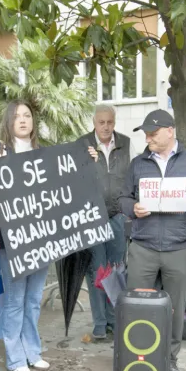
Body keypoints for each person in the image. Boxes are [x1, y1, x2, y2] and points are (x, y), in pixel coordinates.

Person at [119, 109, 186, 371]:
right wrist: (132, 208)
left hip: (177, 248)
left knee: (173, 309)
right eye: (146, 133)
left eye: (153, 133)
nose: (148, 137)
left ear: (170, 131)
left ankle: (170, 361)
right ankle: (137, 356)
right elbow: (123, 199)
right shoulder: (138, 164)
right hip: (143, 247)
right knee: (137, 306)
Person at [0, 100, 51, 371]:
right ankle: (15, 358)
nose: (23, 120)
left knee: (34, 298)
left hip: (41, 236)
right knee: (15, 299)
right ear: (9, 121)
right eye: (17, 116)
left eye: (27, 115)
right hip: (10, 238)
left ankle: (32, 351)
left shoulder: (44, 154)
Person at [77, 104, 133, 341]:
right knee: (97, 271)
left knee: (117, 270)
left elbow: (129, 175)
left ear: (114, 122)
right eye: (101, 122)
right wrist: (85, 161)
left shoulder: (125, 143)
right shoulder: (82, 145)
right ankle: (100, 323)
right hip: (93, 218)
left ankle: (114, 320)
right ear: (94, 122)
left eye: (110, 122)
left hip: (118, 216)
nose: (106, 127)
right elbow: (73, 176)